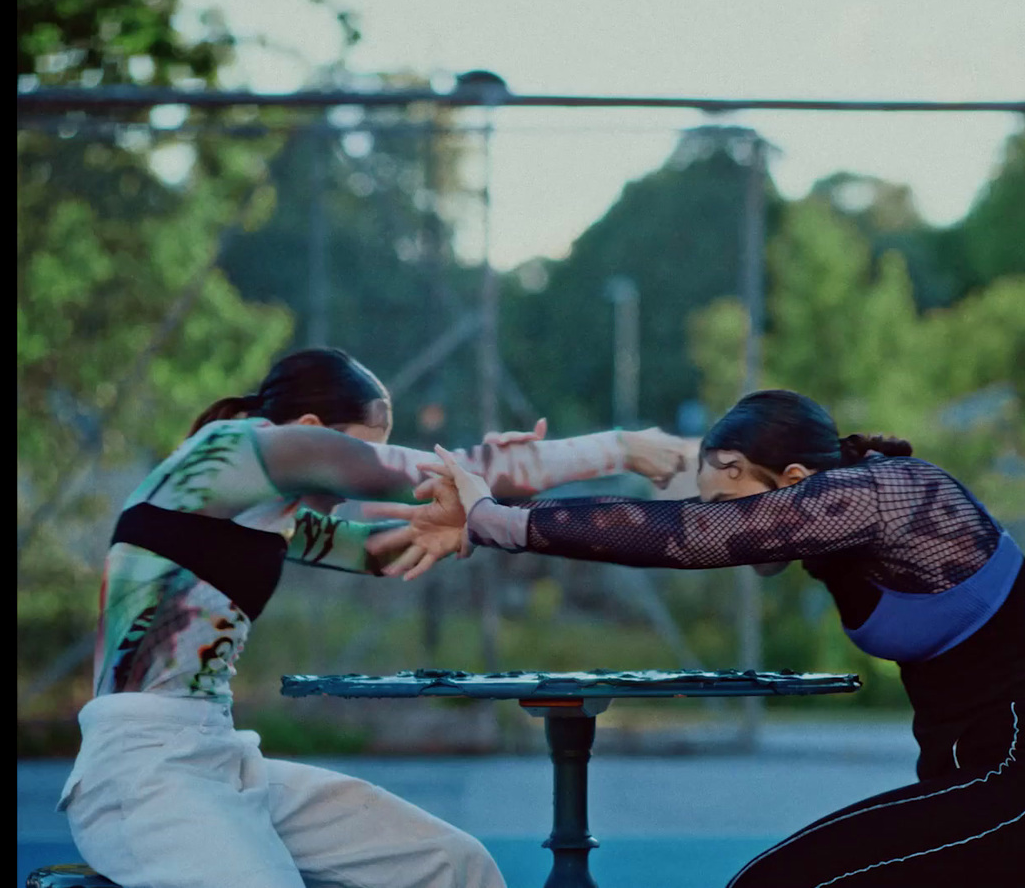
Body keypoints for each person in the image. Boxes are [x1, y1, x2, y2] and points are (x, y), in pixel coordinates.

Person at [368, 389, 1025, 888]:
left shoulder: (890, 492)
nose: (728, 527)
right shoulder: (807, 491)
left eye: (730, 496)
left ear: (786, 473)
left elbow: (688, 531)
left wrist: (495, 521)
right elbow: (649, 466)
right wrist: (508, 478)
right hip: (982, 778)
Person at [55, 347, 696, 888]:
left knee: (456, 866)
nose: (356, 486)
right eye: (358, 458)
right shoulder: (230, 452)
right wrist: (620, 447)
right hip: (140, 773)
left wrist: (473, 508)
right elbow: (441, 475)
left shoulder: (271, 514)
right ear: (310, 429)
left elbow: (389, 549)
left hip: (221, 759)